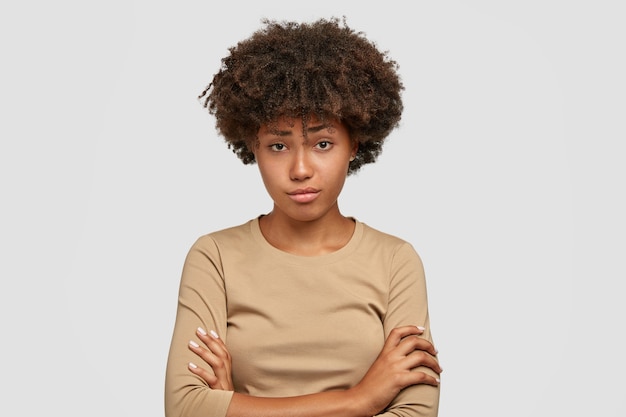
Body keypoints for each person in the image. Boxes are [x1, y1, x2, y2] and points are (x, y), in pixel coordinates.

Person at [165, 17, 442, 417]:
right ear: (252, 147)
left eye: (323, 143)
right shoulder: (215, 257)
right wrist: (362, 399)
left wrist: (235, 407)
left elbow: (415, 413)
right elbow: (186, 407)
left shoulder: (396, 262)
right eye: (278, 145)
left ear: (354, 144)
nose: (300, 169)